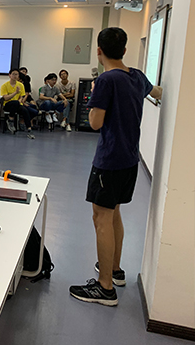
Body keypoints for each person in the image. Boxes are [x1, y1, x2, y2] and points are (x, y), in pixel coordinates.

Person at [69, 27, 162, 306]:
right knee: (114, 213)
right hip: (130, 158)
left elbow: (95, 123)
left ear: (98, 51)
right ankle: (115, 270)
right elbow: (158, 92)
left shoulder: (106, 80)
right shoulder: (137, 76)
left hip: (109, 160)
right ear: (124, 50)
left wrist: (94, 94)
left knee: (101, 218)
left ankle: (105, 287)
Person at [0, 68, 36, 139]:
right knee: (15, 102)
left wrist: (20, 100)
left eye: (16, 74)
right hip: (8, 105)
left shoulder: (20, 85)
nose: (15, 76)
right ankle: (10, 120)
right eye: (13, 74)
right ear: (9, 75)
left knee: (25, 110)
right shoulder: (5, 85)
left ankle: (29, 129)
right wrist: (15, 93)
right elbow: (5, 98)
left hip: (17, 105)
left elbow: (21, 97)